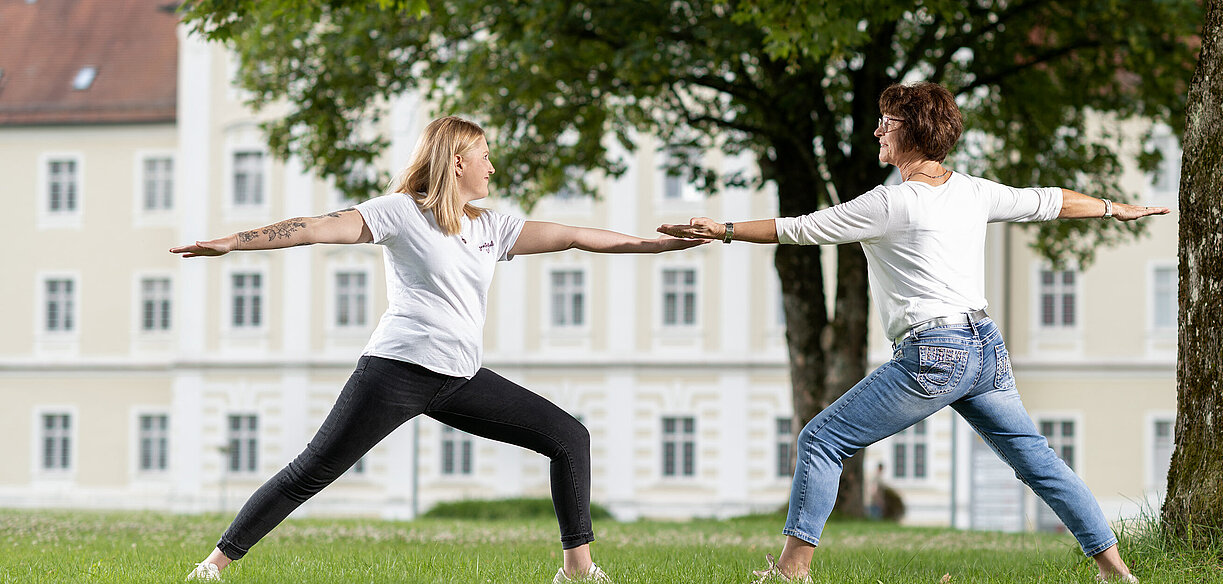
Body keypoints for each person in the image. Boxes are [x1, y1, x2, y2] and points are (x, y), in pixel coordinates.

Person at [658, 82, 1166, 583]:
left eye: (888, 122)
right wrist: (1113, 207)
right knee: (1039, 462)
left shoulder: (889, 204)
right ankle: (1117, 573)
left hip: (935, 354)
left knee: (821, 437)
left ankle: (792, 572)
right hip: (986, 349)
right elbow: (1049, 201)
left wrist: (722, 230)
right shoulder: (974, 191)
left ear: (914, 131)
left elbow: (801, 228)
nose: (878, 130)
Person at [173, 115, 705, 583]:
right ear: (457, 161)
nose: (491, 167)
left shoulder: (490, 227)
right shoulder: (400, 213)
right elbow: (315, 228)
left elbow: (573, 235)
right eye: (485, 156)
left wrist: (654, 244)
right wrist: (232, 242)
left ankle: (579, 570)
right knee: (312, 470)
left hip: (460, 377)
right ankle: (213, 566)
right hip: (395, 371)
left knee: (569, 437)